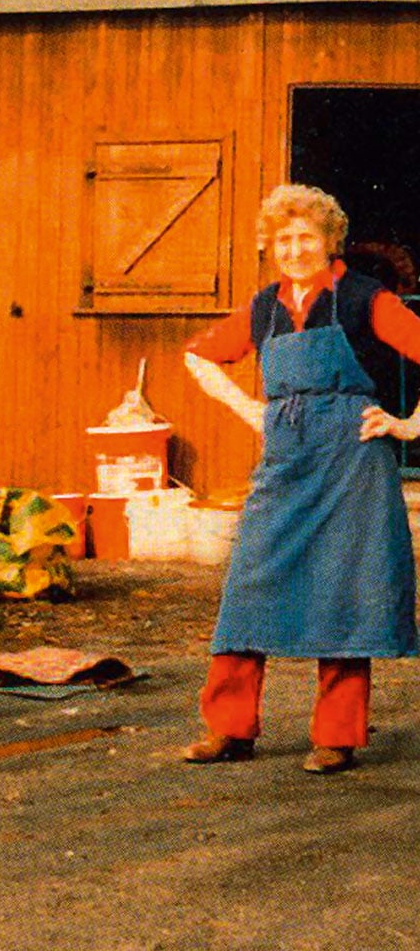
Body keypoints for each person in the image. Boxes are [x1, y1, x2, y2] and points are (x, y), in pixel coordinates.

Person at [182, 183, 420, 775]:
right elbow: (197, 356)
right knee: (248, 590)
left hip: (352, 463)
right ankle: (228, 729)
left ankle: (337, 737)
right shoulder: (263, 306)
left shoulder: (367, 298)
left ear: (328, 241)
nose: (294, 249)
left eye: (306, 237)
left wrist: (410, 425)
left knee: (345, 595)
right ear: (270, 246)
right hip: (285, 460)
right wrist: (248, 411)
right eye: (283, 239)